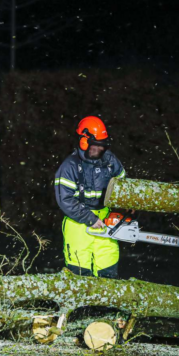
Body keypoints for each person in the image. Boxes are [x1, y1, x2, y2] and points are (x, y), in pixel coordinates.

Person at [54, 116, 126, 278]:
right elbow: (65, 200)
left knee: (108, 271)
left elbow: (124, 186)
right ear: (84, 141)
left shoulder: (109, 161)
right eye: (96, 146)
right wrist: (90, 218)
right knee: (79, 275)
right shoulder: (70, 166)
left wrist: (123, 210)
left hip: (106, 219)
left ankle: (105, 302)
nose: (100, 150)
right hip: (78, 222)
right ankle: (83, 304)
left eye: (102, 146)